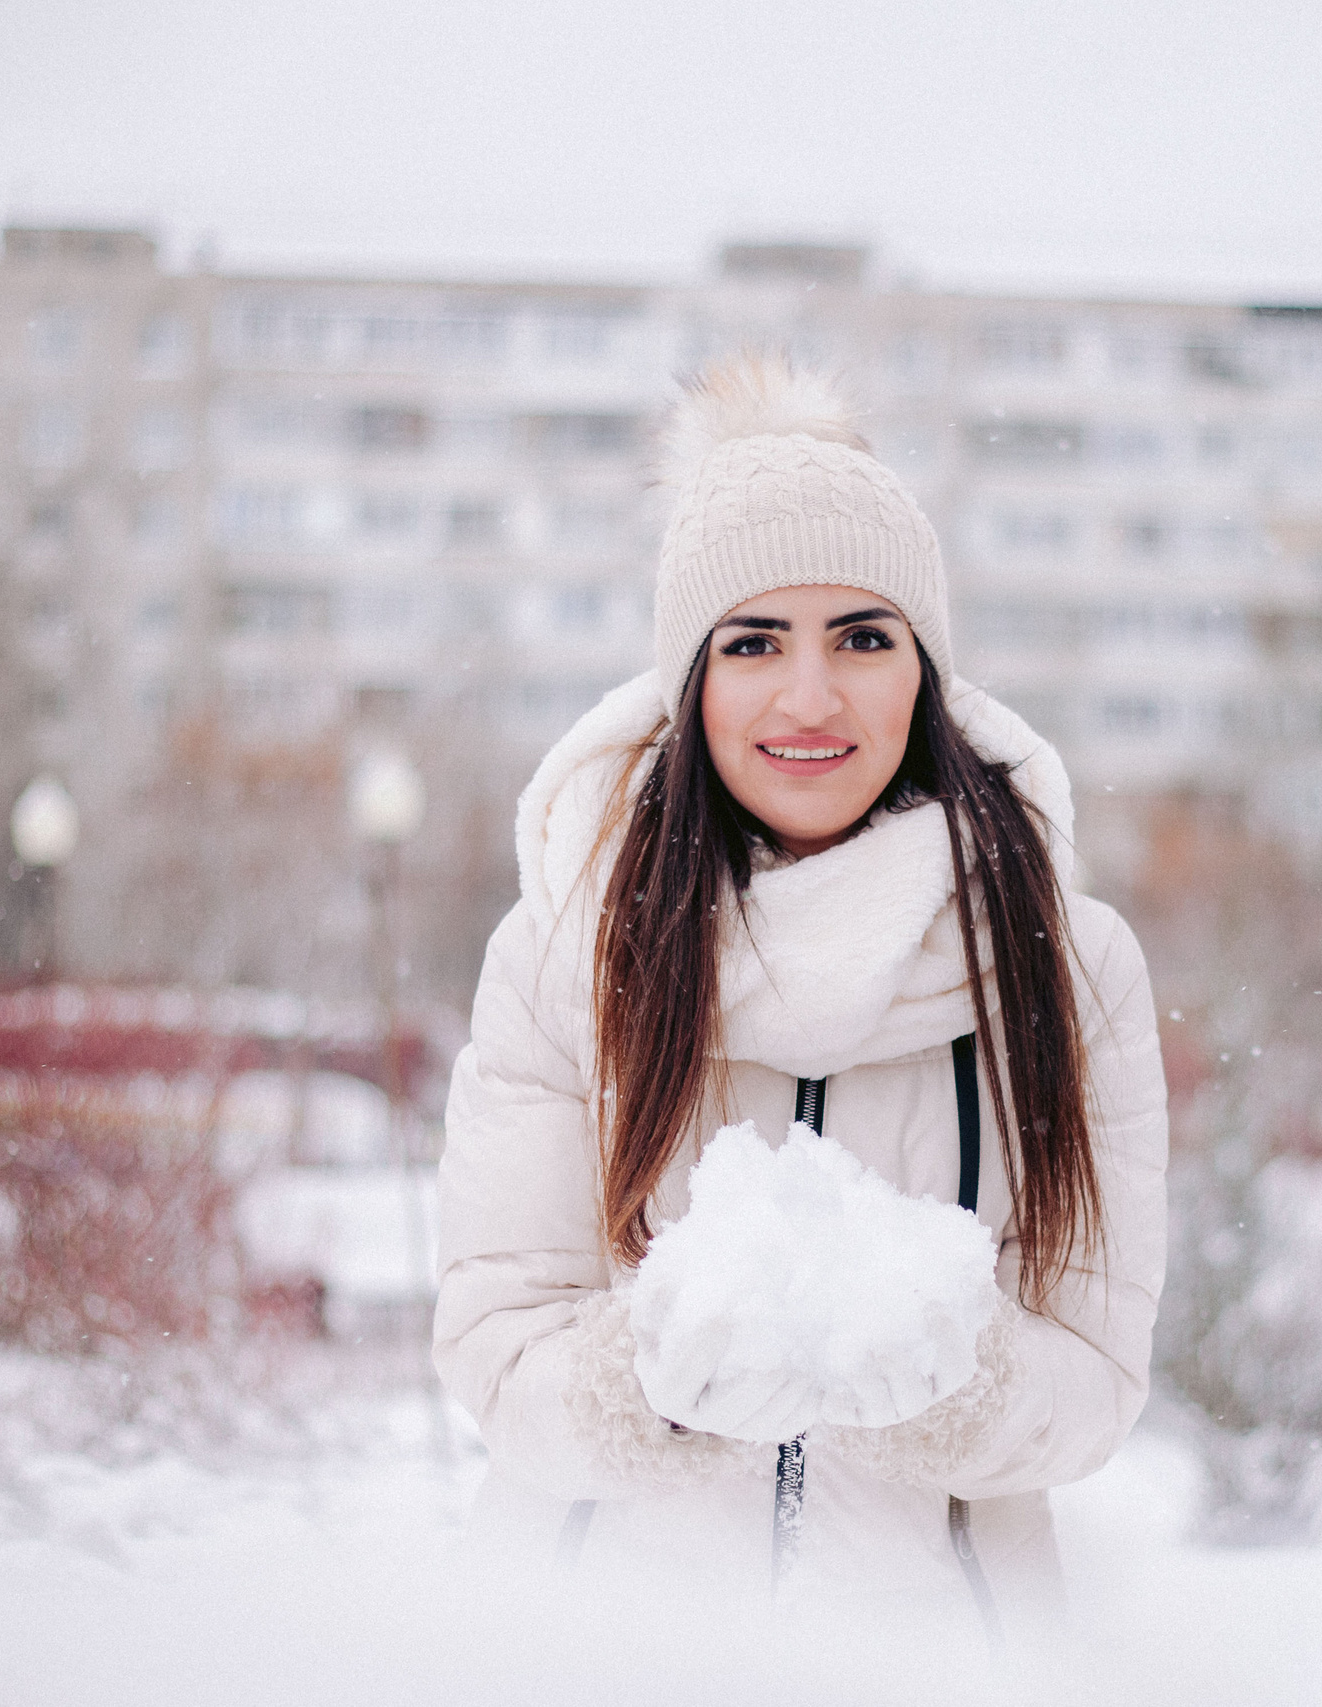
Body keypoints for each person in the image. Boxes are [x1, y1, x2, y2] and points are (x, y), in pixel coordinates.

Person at [433, 355, 1169, 1646]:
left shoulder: (1069, 964)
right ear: (690, 678)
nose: (811, 697)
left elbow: (1096, 1385)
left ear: (925, 672)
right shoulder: (565, 947)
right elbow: (497, 1352)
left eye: (863, 639)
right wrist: (650, 1373)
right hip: (589, 1656)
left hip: (944, 1662)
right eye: (755, 642)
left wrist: (955, 1370)